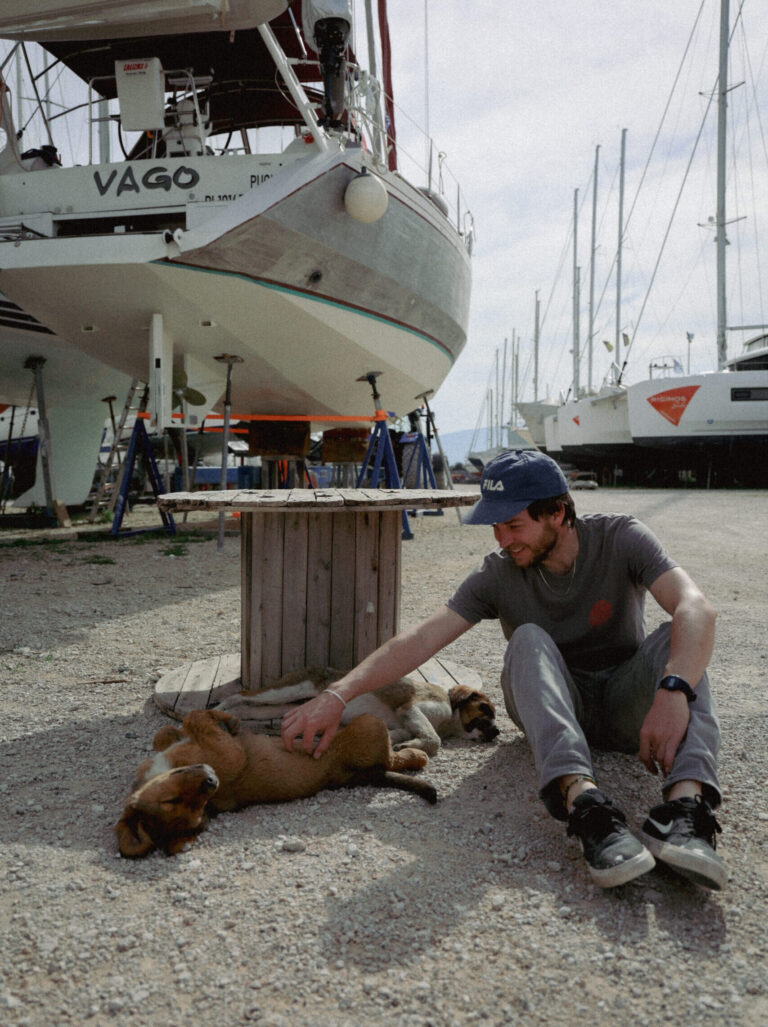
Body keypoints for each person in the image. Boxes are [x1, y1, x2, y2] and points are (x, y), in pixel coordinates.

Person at [282, 449, 725, 891]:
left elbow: (697, 607)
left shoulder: (621, 537)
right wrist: (335, 694)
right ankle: (587, 806)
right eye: (495, 526)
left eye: (514, 525)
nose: (502, 539)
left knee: (680, 636)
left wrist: (672, 690)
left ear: (557, 512)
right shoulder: (497, 574)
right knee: (527, 638)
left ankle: (686, 814)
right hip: (551, 707)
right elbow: (419, 640)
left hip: (624, 703)